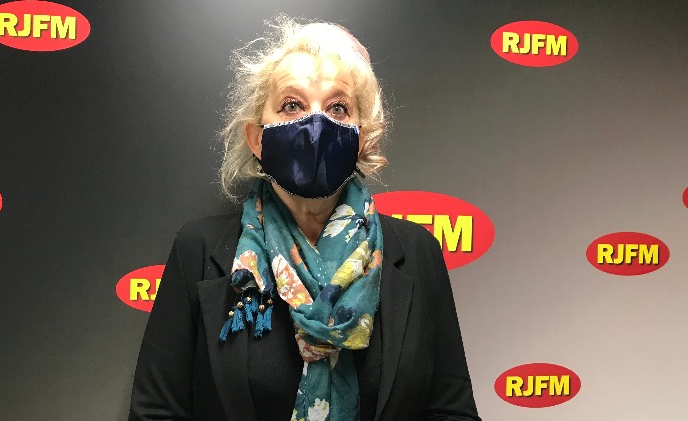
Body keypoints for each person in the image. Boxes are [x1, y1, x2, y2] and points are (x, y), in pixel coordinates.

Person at [129, 15, 480, 421]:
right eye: (292, 105)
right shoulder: (200, 251)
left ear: (361, 138)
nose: (316, 126)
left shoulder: (417, 254)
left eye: (338, 108)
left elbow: (451, 412)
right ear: (257, 138)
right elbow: (156, 412)